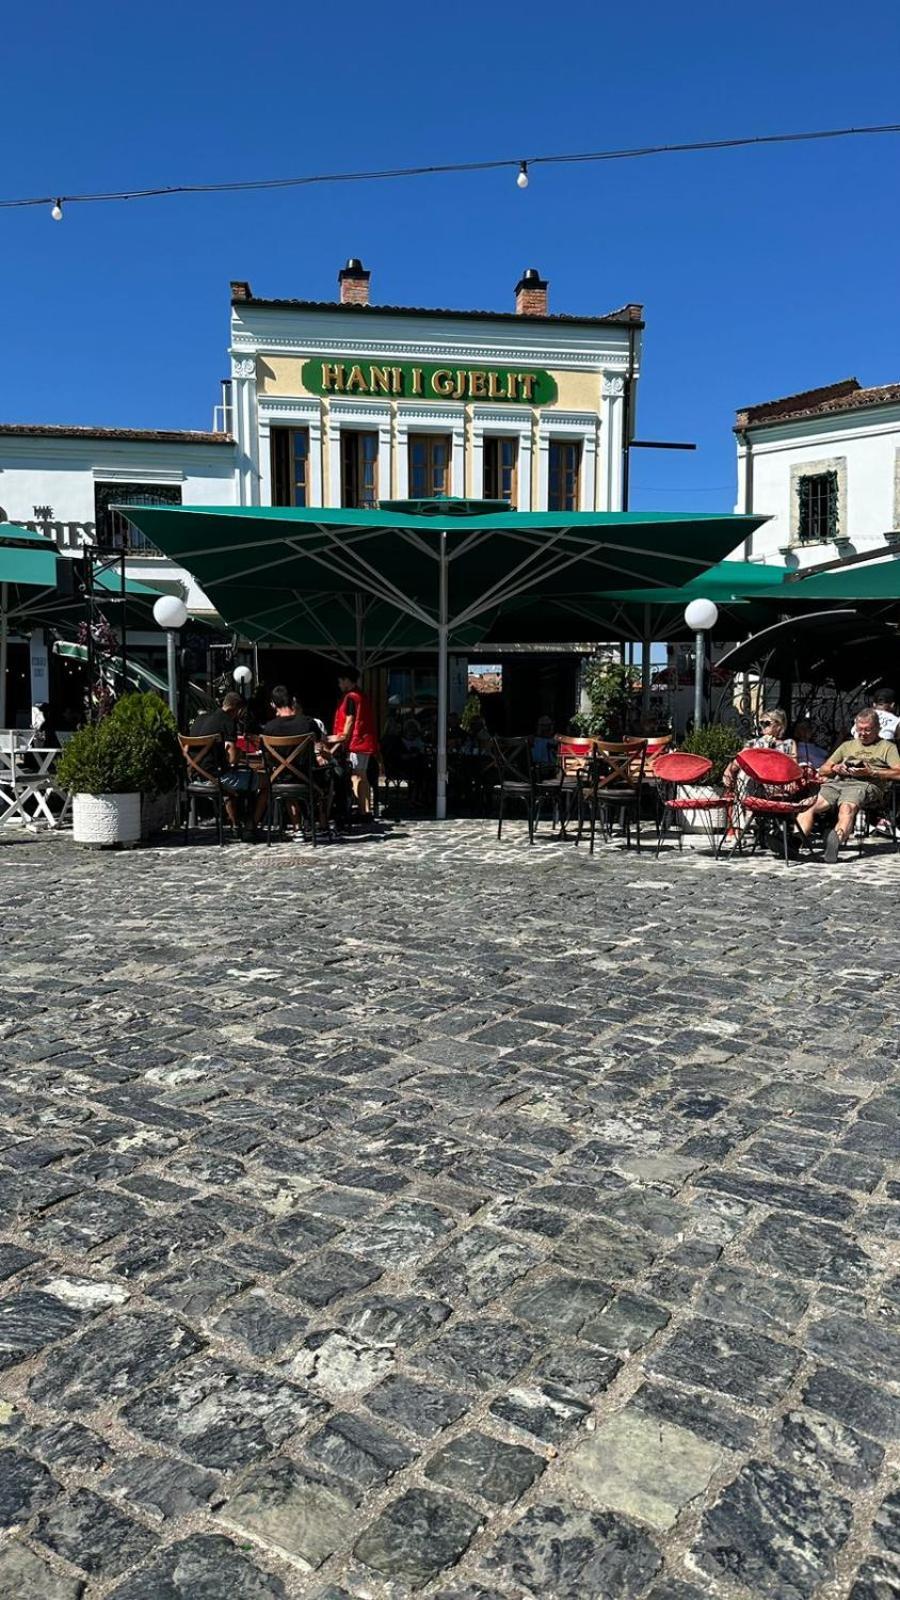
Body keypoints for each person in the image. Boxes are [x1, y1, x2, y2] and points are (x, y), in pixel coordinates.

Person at [796, 707, 900, 862]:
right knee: (809, 805)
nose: (863, 733)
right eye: (860, 729)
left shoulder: (887, 747)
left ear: (878, 728)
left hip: (865, 784)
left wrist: (871, 772)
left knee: (847, 807)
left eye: (867, 730)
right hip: (838, 782)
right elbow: (824, 769)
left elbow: (898, 772)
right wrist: (835, 768)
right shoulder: (847, 746)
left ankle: (836, 840)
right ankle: (795, 842)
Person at [189, 691, 268, 841]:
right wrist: (238, 752)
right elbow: (232, 759)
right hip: (218, 779)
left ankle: (235, 825)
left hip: (196, 778)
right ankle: (250, 827)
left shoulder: (201, 719)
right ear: (237, 709)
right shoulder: (227, 721)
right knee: (267, 782)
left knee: (232, 783)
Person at [332, 668, 379, 820]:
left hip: (356, 741)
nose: (339, 685)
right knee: (362, 775)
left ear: (347, 680)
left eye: (340, 681)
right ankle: (365, 810)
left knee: (356, 776)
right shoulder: (362, 696)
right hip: (365, 740)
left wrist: (343, 737)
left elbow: (350, 720)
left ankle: (361, 810)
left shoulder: (351, 697)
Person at [722, 708, 796, 791]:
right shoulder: (753, 743)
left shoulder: (789, 743)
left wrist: (792, 779)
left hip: (776, 782)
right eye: (761, 723)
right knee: (746, 770)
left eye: (767, 723)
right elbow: (740, 760)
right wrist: (728, 769)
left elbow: (794, 766)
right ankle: (743, 800)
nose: (763, 726)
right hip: (754, 782)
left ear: (779, 725)